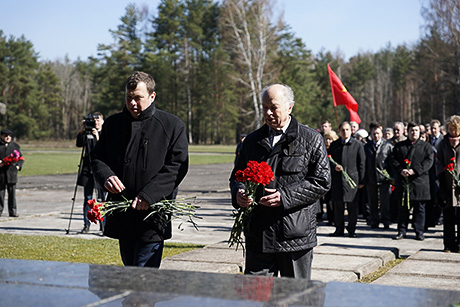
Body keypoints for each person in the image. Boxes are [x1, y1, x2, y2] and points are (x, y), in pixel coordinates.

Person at [230, 84, 331, 279]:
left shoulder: (311, 139)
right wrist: (239, 192)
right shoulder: (252, 141)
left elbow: (322, 181)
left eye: (273, 107)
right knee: (258, 295)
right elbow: (237, 176)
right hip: (259, 233)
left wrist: (284, 197)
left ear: (290, 107)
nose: (268, 112)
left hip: (295, 235)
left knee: (296, 297)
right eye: (264, 107)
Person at [91, 71, 189, 268]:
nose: (133, 103)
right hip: (123, 213)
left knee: (144, 276)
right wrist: (106, 176)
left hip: (152, 214)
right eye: (129, 98)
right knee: (130, 271)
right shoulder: (113, 124)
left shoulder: (171, 125)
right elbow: (98, 158)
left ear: (152, 97)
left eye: (138, 98)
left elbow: (177, 166)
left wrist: (149, 195)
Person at [391, 122, 434, 241]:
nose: (413, 132)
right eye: (411, 130)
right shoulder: (400, 146)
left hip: (420, 182)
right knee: (403, 208)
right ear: (407, 131)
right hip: (404, 181)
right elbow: (393, 160)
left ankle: (419, 231)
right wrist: (401, 170)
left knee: (419, 209)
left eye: (416, 130)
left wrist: (415, 171)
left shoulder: (426, 147)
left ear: (419, 132)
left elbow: (428, 162)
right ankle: (402, 230)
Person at [328, 121, 366, 237]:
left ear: (351, 131)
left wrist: (361, 181)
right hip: (338, 181)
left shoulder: (357, 145)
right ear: (339, 131)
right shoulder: (334, 145)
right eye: (343, 130)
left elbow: (362, 163)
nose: (345, 132)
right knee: (338, 206)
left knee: (352, 207)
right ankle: (339, 229)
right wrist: (335, 167)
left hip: (352, 181)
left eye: (347, 130)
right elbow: (328, 161)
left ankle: (351, 230)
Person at [76, 112, 105, 234]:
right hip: (88, 170)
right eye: (94, 120)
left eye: (98, 120)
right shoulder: (87, 132)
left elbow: (105, 149)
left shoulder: (105, 134)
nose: (96, 122)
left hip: (100, 170)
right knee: (87, 199)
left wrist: (98, 137)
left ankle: (103, 225)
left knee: (102, 199)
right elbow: (79, 144)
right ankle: (86, 225)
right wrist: (82, 130)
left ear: (102, 121)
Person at [436, 115, 460, 252]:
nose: (453, 132)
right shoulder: (443, 143)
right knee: (448, 216)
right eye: (451, 129)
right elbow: (438, 161)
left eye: (455, 129)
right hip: (446, 184)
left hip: (459, 187)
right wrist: (443, 172)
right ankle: (448, 244)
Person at [364, 124, 393, 229]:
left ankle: (386, 221)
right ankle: (374, 221)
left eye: (377, 133)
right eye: (374, 134)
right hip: (371, 177)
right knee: (372, 202)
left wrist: (391, 177)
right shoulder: (367, 146)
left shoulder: (388, 146)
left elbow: (391, 163)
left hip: (384, 178)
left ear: (382, 134)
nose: (376, 136)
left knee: (385, 202)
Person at [0, 129, 24, 218]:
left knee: (12, 193)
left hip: (11, 173)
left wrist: (18, 166)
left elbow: (21, 158)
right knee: (0, 193)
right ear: (2, 136)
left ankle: (13, 211)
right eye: (5, 136)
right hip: (1, 174)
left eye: (9, 136)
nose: (8, 137)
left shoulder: (15, 146)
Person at [322, 130, 339, 225]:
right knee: (328, 199)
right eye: (326, 139)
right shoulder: (323, 149)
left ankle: (336, 218)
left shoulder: (335, 149)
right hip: (326, 177)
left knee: (335, 199)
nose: (328, 141)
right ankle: (330, 218)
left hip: (335, 177)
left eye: (330, 139)